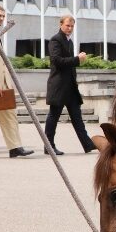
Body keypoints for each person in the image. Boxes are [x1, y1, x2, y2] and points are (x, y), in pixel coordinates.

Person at [0, 5, 34, 159]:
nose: (2, 18)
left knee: (9, 115)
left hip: (3, 83)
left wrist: (5, 83)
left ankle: (15, 147)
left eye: (3, 16)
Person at [44, 15, 96, 155]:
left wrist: (76, 61)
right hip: (59, 86)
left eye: (72, 26)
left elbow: (69, 64)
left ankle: (88, 145)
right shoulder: (55, 40)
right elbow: (57, 61)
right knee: (53, 116)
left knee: (77, 118)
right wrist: (77, 59)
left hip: (70, 88)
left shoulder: (70, 41)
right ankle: (49, 146)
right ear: (61, 24)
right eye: (67, 25)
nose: (70, 28)